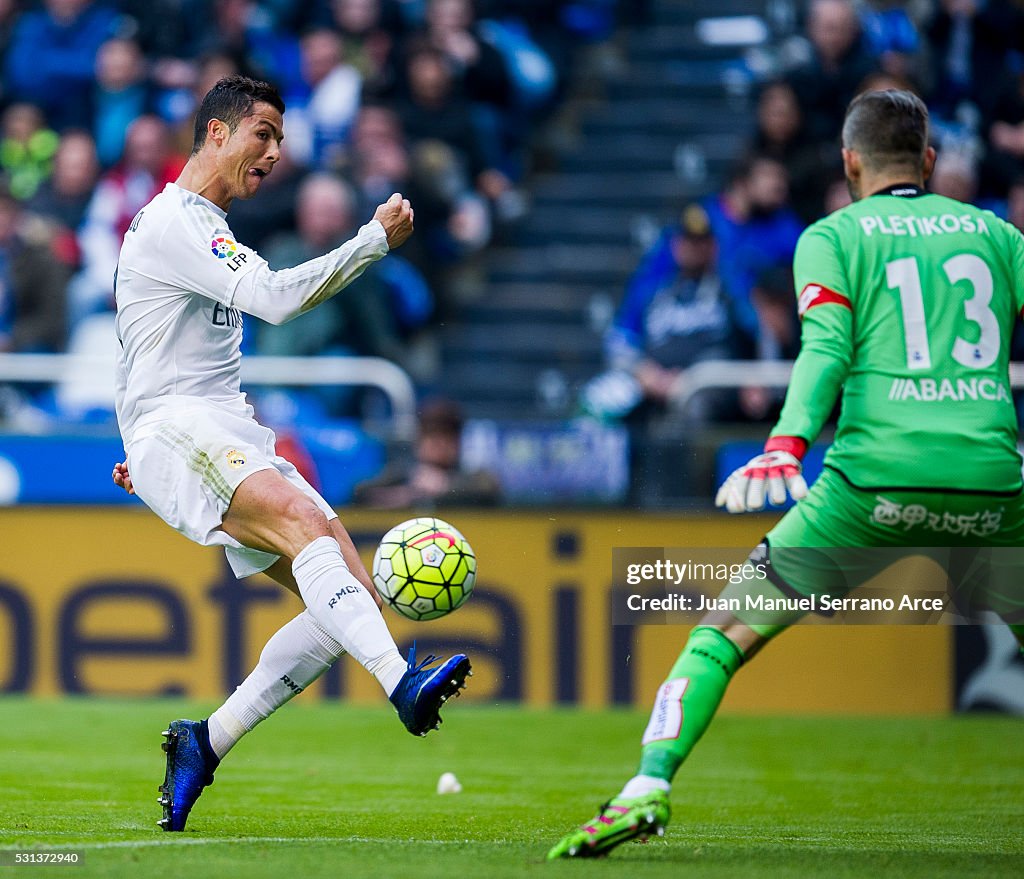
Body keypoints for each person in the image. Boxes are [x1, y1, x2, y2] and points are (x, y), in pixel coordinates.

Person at [548, 89, 1024, 859]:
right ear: (930, 163)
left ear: (849, 163)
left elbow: (826, 348)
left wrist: (786, 445)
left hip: (871, 484)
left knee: (719, 637)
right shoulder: (999, 237)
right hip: (995, 484)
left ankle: (648, 784)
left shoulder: (834, 236)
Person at [110, 75, 471, 834]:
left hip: (211, 429)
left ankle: (204, 741)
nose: (276, 151)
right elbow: (273, 300)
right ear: (216, 132)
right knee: (308, 524)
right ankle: (403, 686)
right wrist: (371, 240)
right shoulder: (177, 220)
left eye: (280, 137)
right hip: (179, 426)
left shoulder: (205, 226)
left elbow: (144, 340)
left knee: (350, 600)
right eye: (263, 133)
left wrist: (143, 450)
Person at [353, 397, 501, 508]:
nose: (439, 444)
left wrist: (446, 486)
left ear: (458, 442)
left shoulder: (474, 479)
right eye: (431, 435)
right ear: (418, 439)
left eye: (447, 436)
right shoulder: (403, 474)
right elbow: (359, 492)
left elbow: (489, 490)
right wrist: (410, 494)